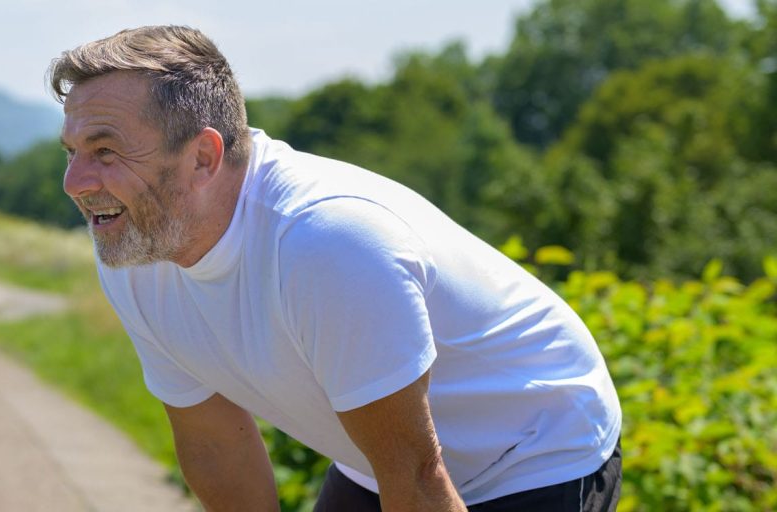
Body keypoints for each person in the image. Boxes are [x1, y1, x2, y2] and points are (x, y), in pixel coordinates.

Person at [50, 25, 622, 511]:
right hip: (389, 457)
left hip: (535, 445)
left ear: (203, 157)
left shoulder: (326, 244)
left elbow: (419, 481)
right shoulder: (137, 249)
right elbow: (214, 444)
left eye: (106, 151)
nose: (76, 183)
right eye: (72, 152)